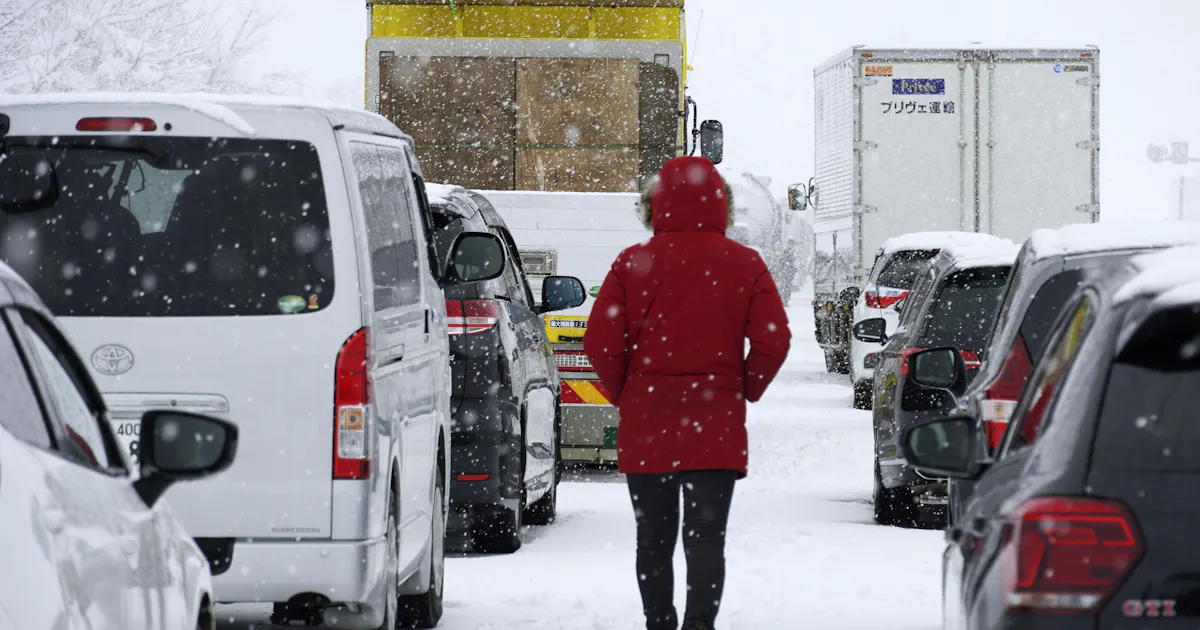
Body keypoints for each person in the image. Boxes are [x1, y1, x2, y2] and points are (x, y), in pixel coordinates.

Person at [584, 156, 792, 630]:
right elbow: (773, 339)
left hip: (648, 420)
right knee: (704, 537)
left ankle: (659, 622)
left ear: (653, 205)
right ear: (723, 205)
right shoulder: (745, 264)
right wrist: (745, 386)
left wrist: (628, 392)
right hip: (714, 420)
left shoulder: (633, 263)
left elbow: (600, 342)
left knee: (653, 538)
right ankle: (700, 623)